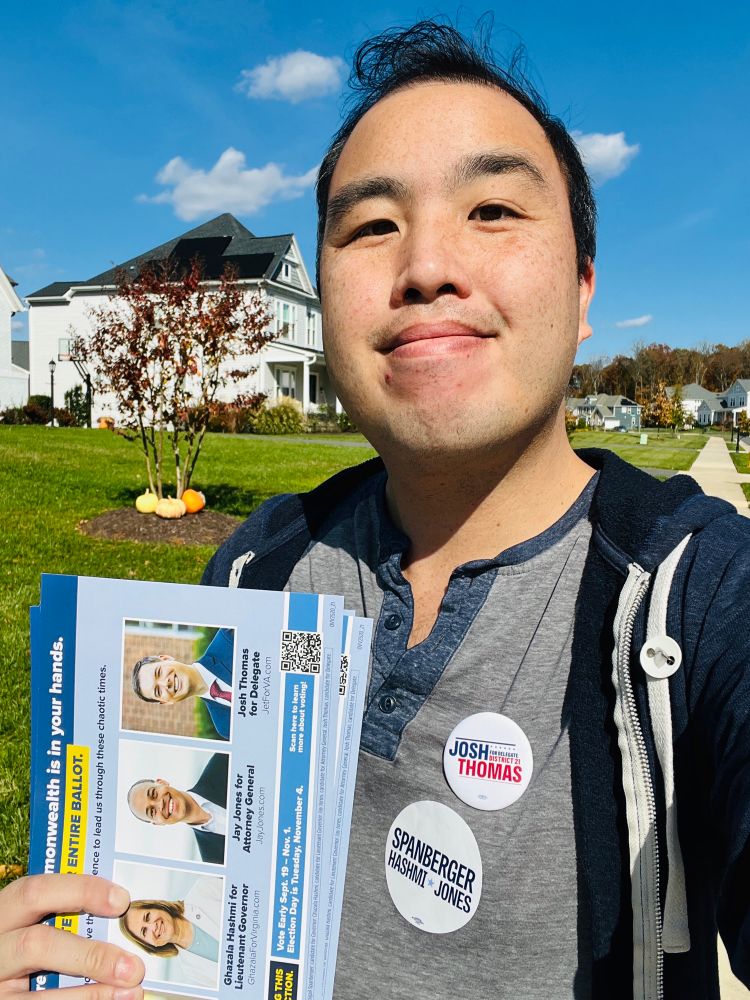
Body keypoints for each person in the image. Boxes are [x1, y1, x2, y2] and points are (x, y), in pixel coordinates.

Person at [2, 19, 749, 1000]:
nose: (426, 264)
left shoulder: (697, 602)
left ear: (581, 288)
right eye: (370, 225)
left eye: (491, 209)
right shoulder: (254, 572)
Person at [119, 875, 221, 989]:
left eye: (147, 917)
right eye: (144, 931)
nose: (153, 927)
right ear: (150, 945)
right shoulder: (191, 971)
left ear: (158, 906)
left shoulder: (204, 888)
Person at [130, 626, 234, 739]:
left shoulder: (228, 637)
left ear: (166, 658)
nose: (166, 684)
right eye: (158, 690)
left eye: (159, 672)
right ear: (166, 702)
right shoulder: (224, 727)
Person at [126, 752, 228, 864]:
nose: (160, 804)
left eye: (154, 793)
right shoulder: (213, 861)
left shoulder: (222, 761)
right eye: (152, 811)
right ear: (158, 823)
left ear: (162, 782)